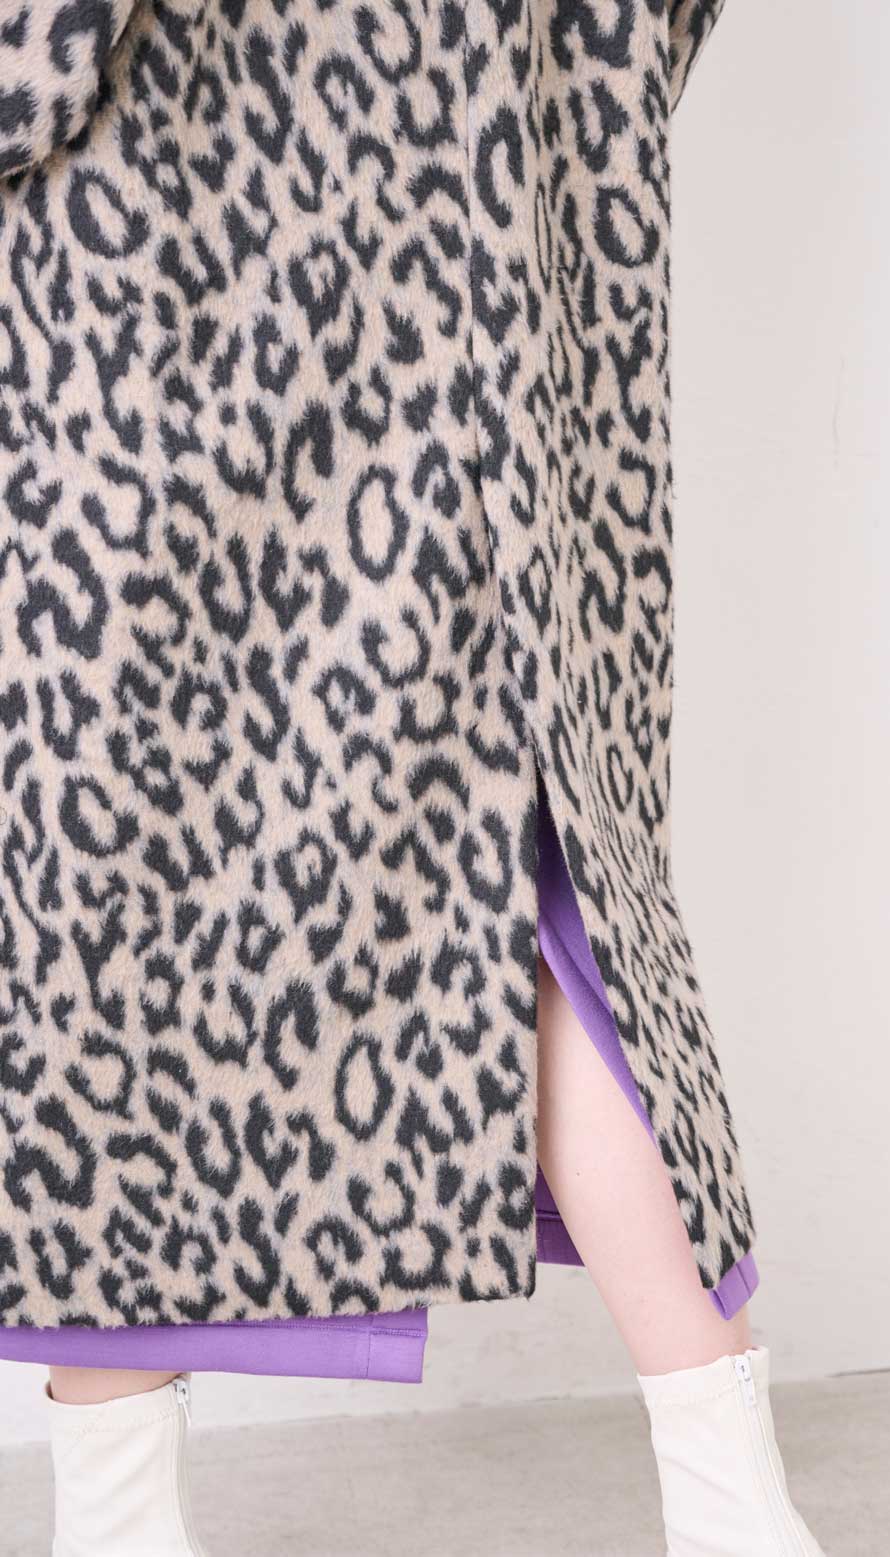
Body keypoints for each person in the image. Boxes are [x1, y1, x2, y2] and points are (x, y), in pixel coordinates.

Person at [0, 2, 825, 1553]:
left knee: (114, 927)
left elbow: (34, 65)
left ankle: (115, 1531)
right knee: (541, 901)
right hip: (495, 321)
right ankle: (740, 1519)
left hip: (172, 327)